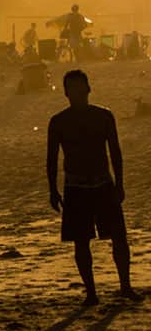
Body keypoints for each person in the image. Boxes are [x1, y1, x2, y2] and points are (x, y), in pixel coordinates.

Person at [47, 70, 139, 304]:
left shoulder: (104, 116)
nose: (76, 92)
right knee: (81, 241)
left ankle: (125, 286)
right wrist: (52, 190)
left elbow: (115, 152)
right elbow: (51, 158)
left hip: (103, 183)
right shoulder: (58, 122)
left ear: (88, 89)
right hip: (75, 186)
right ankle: (91, 292)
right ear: (66, 93)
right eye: (71, 88)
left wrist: (120, 184)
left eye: (80, 87)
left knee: (119, 237)